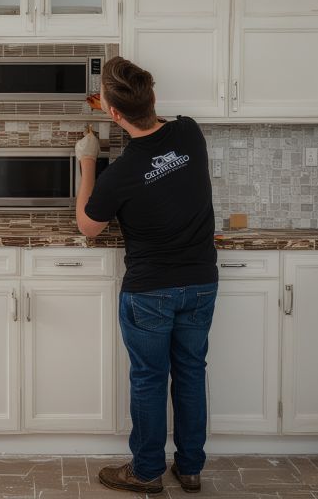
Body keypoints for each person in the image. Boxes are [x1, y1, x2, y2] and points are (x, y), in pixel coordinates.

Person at [75, 56, 218, 495]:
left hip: (150, 291)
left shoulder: (118, 174)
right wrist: (116, 108)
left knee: (150, 379)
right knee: (190, 373)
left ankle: (146, 471)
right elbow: (154, 129)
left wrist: (87, 163)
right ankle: (190, 468)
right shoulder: (190, 133)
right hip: (200, 284)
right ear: (153, 96)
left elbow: (88, 227)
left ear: (114, 114)